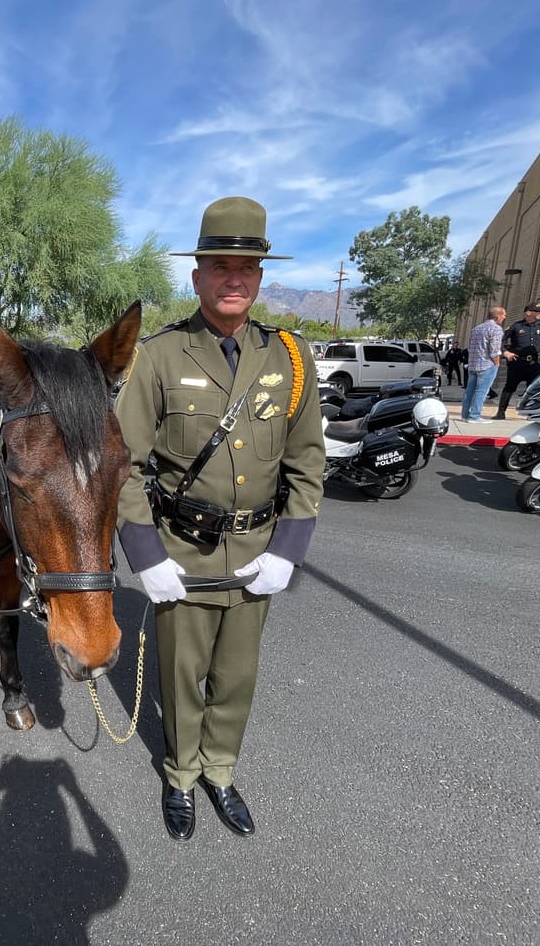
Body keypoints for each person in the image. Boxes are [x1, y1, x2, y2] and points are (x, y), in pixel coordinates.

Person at [114, 197, 325, 842]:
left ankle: (222, 771)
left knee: (237, 676)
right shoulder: (158, 357)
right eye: (220, 266)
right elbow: (123, 465)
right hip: (183, 548)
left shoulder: (290, 357)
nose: (235, 278)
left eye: (248, 267)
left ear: (260, 277)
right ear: (197, 275)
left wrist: (289, 548)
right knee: (181, 678)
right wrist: (147, 557)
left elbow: (307, 459)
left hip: (259, 547)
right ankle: (180, 776)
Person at [493, 302, 540, 419]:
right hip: (517, 363)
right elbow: (499, 341)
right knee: (509, 387)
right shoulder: (516, 326)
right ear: (528, 313)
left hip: (535, 363)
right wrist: (505, 352)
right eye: (538, 311)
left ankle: (531, 413)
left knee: (534, 389)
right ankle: (501, 412)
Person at [462, 306, 505, 423]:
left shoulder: (476, 328)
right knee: (482, 391)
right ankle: (474, 416)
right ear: (497, 316)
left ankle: (465, 414)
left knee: (469, 390)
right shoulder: (496, 329)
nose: (504, 317)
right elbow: (494, 350)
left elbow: (470, 347)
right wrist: (497, 363)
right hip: (487, 364)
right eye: (503, 315)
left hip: (473, 364)